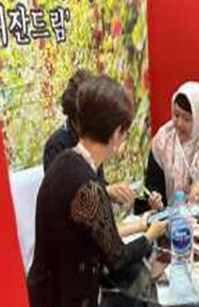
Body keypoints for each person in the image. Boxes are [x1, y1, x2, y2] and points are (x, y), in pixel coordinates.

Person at [28, 75, 167, 307]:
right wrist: (150, 235)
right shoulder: (89, 187)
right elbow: (116, 257)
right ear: (117, 133)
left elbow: (93, 240)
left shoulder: (64, 162)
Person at [43, 69, 135, 206]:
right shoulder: (57, 147)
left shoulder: (91, 146)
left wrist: (110, 191)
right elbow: (65, 200)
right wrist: (105, 191)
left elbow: (96, 181)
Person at [143, 81, 199, 210]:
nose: (179, 123)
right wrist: (155, 198)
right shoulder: (163, 141)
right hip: (170, 217)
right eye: (176, 115)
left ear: (198, 119)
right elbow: (152, 183)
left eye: (186, 119)